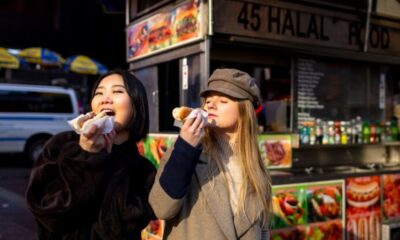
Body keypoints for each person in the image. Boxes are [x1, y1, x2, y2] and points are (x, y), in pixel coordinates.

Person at [26, 69, 156, 240]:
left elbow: (118, 229)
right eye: (99, 93)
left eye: (117, 91)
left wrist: (103, 163)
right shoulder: (60, 145)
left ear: (137, 106)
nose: (105, 99)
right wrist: (86, 156)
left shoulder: (143, 170)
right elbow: (48, 214)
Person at [150, 68, 272, 239]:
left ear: (244, 111)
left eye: (223, 100)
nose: (211, 105)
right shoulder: (187, 150)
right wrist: (185, 148)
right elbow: (160, 207)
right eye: (208, 101)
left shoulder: (256, 167)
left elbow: (263, 229)